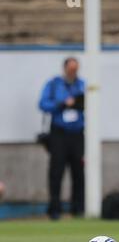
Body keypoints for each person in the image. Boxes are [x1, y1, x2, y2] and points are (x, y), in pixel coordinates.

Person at [39, 57, 85, 220]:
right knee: (56, 171)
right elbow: (43, 104)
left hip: (77, 133)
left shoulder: (82, 84)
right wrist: (62, 103)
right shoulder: (54, 84)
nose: (73, 72)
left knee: (78, 171)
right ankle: (55, 209)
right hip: (59, 133)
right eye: (71, 69)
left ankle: (78, 208)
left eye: (76, 70)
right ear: (65, 68)